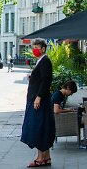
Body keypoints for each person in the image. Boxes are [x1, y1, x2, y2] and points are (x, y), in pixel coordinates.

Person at [21, 38, 55, 167]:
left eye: (36, 47)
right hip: (38, 99)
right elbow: (42, 79)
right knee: (43, 126)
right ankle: (46, 157)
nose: (34, 49)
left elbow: (46, 80)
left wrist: (38, 97)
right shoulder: (41, 61)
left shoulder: (45, 61)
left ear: (43, 49)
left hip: (38, 101)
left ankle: (40, 158)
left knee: (38, 127)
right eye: (33, 47)